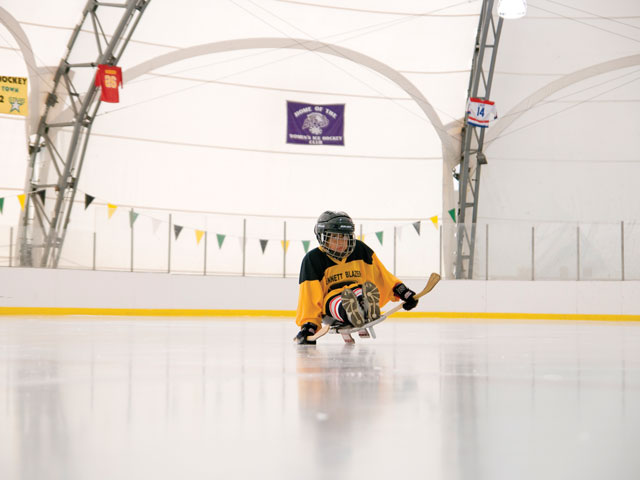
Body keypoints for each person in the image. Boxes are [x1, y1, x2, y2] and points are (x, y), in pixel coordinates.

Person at [294, 210, 419, 345]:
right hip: (330, 305)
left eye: (345, 237)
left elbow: (382, 274)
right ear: (323, 237)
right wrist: (309, 326)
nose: (341, 242)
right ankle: (352, 312)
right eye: (334, 237)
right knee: (341, 300)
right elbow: (309, 296)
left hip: (356, 292)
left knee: (361, 291)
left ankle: (365, 308)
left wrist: (402, 291)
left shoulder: (360, 249)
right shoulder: (313, 259)